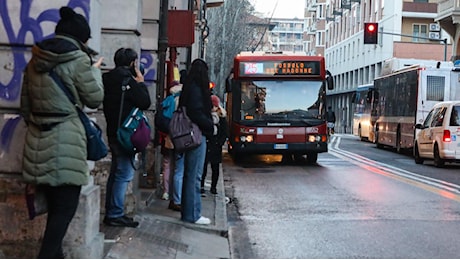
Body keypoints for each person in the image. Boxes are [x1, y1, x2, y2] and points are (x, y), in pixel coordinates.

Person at [20, 6, 104, 258]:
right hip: (67, 144)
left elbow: (25, 108)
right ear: (80, 39)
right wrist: (95, 71)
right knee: (64, 210)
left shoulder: (35, 60)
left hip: (36, 143)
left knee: (54, 209)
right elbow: (94, 98)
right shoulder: (79, 60)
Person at [102, 47, 151, 227]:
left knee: (115, 173)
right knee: (123, 174)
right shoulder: (129, 82)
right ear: (132, 63)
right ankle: (115, 213)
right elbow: (145, 102)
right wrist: (140, 83)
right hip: (126, 134)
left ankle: (112, 210)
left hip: (112, 131)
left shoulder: (107, 78)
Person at [179, 59, 214, 225]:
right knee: (194, 176)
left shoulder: (188, 87)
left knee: (190, 174)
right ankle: (193, 213)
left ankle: (189, 212)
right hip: (197, 134)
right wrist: (210, 124)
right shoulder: (197, 90)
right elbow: (196, 113)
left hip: (191, 133)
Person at [201, 95, 229, 195]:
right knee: (203, 166)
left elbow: (225, 132)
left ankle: (213, 187)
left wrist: (219, 143)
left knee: (215, 167)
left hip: (216, 146)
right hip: (206, 143)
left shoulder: (221, 117)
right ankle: (201, 186)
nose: (213, 108)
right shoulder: (206, 116)